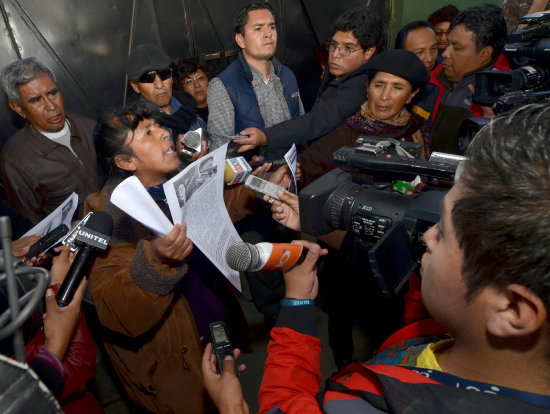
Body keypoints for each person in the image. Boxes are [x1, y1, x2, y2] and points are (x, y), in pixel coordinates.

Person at [205, 102, 550, 414]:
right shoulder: (467, 316)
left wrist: (232, 405)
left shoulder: (364, 404)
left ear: (513, 310)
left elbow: (284, 406)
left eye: (443, 233)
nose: (425, 237)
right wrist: (313, 219)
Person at [89, 102, 246, 413]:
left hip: (211, 319)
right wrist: (157, 261)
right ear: (125, 161)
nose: (164, 133)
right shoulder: (106, 216)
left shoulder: (176, 184)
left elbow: (218, 212)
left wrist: (261, 191)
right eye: (148, 132)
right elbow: (117, 306)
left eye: (159, 126)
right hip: (174, 358)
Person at [233, 7, 382, 155]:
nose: (336, 55)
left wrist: (266, 137)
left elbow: (317, 120)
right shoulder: (338, 70)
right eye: (334, 45)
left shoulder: (360, 87)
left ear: (368, 52)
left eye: (348, 48)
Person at [297, 49, 430, 188]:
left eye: (397, 88)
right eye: (379, 85)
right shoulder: (345, 134)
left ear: (411, 95)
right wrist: (294, 173)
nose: (384, 96)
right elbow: (305, 167)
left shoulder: (416, 128)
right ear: (367, 87)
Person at [0, 58, 99, 224]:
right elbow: (32, 231)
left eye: (53, 93)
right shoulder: (14, 160)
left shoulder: (90, 128)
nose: (51, 106)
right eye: (36, 100)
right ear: (18, 108)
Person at [207, 1, 304, 160]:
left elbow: (302, 129)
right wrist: (248, 172)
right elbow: (220, 151)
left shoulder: (288, 76)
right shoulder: (223, 85)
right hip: (253, 178)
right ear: (241, 40)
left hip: (292, 172)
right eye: (258, 28)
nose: (268, 34)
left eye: (272, 27)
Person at [413, 4, 510, 154]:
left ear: (484, 54)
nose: (445, 53)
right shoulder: (431, 78)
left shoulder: (502, 99)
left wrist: (491, 126)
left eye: (457, 48)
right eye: (448, 44)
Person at [126, 43, 207, 161]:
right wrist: (178, 157)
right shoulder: (134, 124)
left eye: (164, 75)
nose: (159, 85)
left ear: (172, 77)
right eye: (148, 78)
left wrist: (204, 141)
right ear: (135, 86)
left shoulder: (187, 105)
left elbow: (207, 136)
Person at [175, 56, 210, 123]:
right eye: (189, 81)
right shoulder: (183, 119)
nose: (197, 85)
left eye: (200, 78)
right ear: (181, 88)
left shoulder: (224, 106)